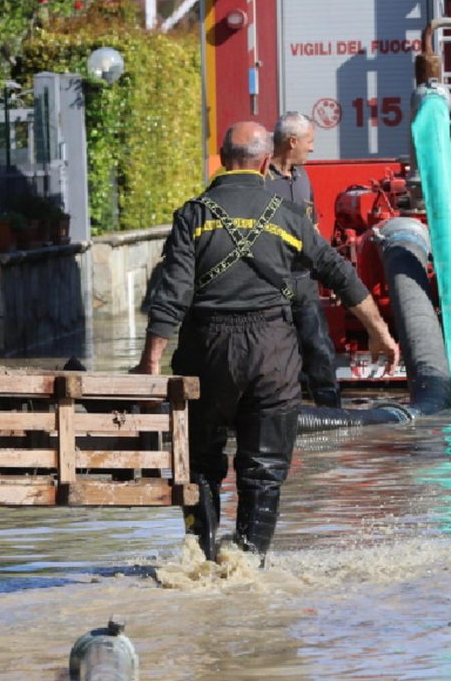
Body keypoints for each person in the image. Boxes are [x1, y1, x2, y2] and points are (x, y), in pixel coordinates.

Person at [135, 121, 400, 563]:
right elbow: (339, 274)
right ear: (263, 162)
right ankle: (249, 565)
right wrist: (380, 332)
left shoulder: (193, 216)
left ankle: (200, 558)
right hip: (273, 354)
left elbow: (172, 294)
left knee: (201, 464)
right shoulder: (288, 214)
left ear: (221, 159)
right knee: (265, 470)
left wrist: (150, 363)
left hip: (206, 353)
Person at [264, 112, 342, 407]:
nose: (312, 148)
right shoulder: (261, 179)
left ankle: (331, 412)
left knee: (320, 349)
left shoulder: (303, 177)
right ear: (292, 141)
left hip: (304, 283)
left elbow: (314, 230)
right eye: (309, 141)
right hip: (271, 285)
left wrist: (329, 274)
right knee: (275, 357)